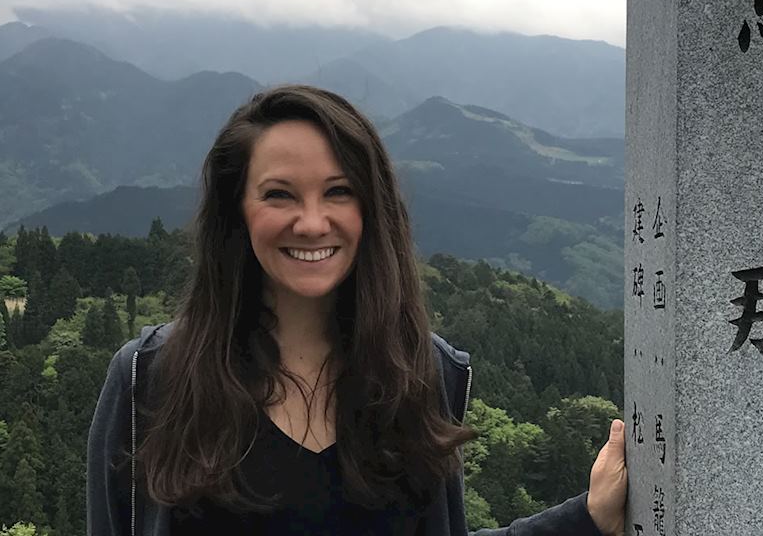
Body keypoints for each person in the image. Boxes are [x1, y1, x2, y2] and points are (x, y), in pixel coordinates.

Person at [86, 84, 628, 535]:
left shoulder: (418, 374)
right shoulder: (152, 381)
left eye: (339, 191)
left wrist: (583, 518)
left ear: (372, 208)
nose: (313, 222)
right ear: (237, 213)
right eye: (279, 194)